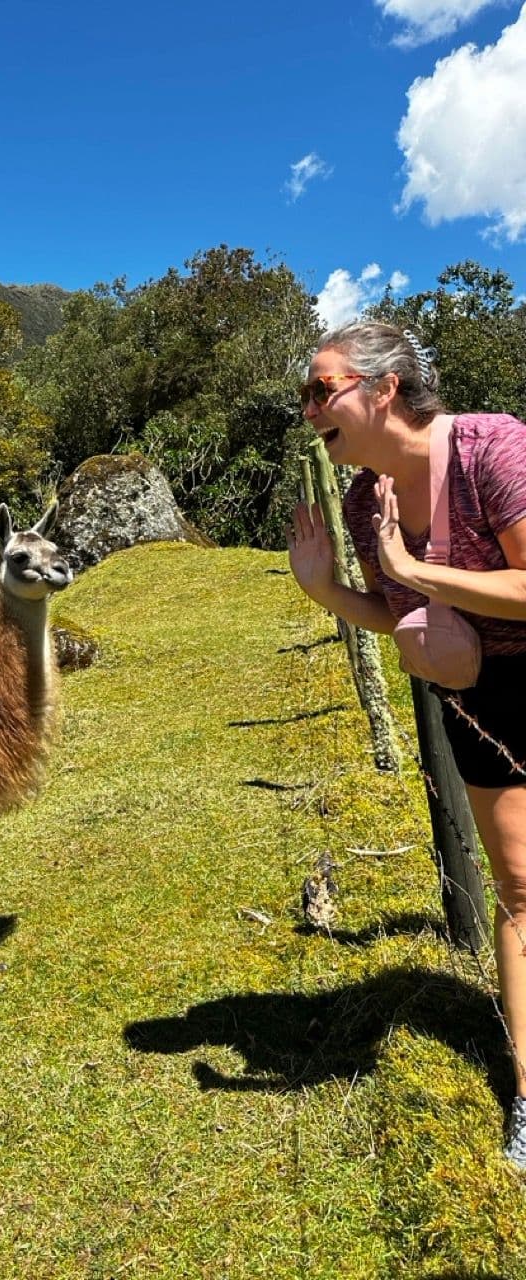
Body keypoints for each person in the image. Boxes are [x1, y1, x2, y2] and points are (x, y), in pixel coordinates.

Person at [286, 320, 526, 1166]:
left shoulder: (492, 449)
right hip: (489, 700)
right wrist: (327, 592)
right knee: (523, 887)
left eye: (323, 390)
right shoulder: (362, 503)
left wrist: (419, 568)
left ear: (383, 389)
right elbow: (397, 619)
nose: (309, 408)